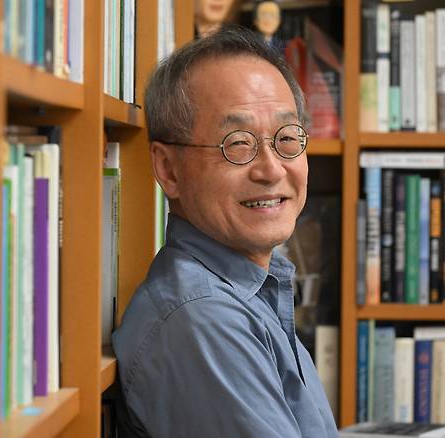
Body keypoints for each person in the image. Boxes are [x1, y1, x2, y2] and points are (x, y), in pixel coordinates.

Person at [111, 26, 338, 437]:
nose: (271, 169)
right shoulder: (203, 321)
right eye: (237, 143)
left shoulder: (249, 290)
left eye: (287, 138)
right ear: (168, 169)